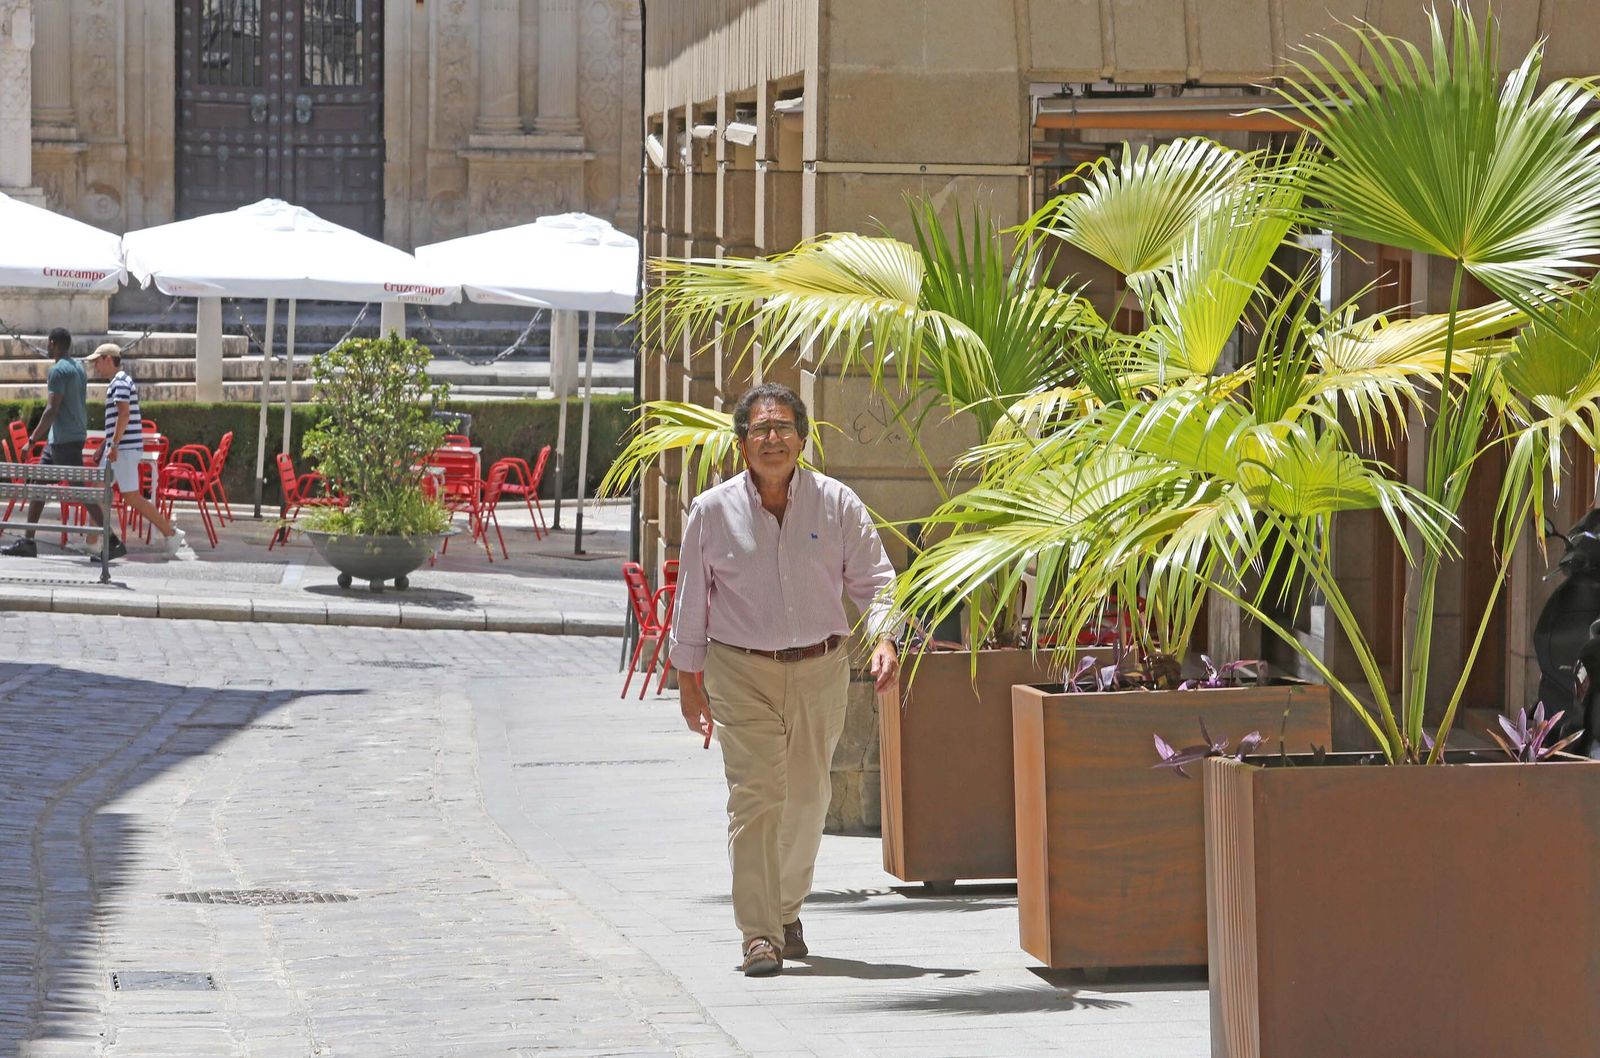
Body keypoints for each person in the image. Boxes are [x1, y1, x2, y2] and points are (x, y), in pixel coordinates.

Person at [670, 382, 899, 977]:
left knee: (808, 800)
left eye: (783, 428)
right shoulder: (712, 511)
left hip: (821, 668)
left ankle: (785, 910)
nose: (772, 439)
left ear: (801, 438)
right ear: (742, 443)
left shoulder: (837, 503)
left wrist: (884, 638)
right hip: (739, 670)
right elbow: (692, 601)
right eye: (759, 429)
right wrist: (688, 682)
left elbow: (876, 581)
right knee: (756, 799)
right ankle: (760, 935)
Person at [1, 327, 116, 558]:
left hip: (64, 440)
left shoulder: (57, 371)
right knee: (38, 486)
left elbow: (52, 409)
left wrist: (31, 440)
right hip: (63, 439)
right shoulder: (79, 368)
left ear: (52, 342)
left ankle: (112, 539)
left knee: (79, 491)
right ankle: (28, 542)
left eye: (48, 342)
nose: (47, 345)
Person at [85, 344, 195, 561]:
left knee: (123, 496)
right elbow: (120, 418)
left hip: (122, 450)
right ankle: (93, 542)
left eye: (97, 361)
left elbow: (123, 415)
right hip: (121, 449)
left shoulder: (119, 383)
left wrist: (113, 445)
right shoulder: (120, 382)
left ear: (108, 359)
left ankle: (168, 534)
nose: (95, 366)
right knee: (102, 493)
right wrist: (107, 445)